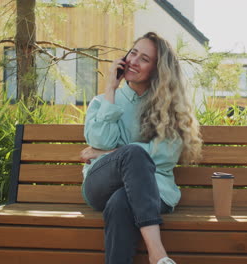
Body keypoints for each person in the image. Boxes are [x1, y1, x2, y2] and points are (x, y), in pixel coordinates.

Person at [80, 32, 202, 264]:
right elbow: (101, 140)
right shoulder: (102, 101)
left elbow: (166, 155)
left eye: (144, 59)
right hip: (100, 185)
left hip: (154, 190)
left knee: (121, 201)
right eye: (133, 53)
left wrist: (108, 154)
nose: (134, 61)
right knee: (134, 156)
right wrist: (110, 89)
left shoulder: (170, 108)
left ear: (158, 70)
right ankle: (157, 254)